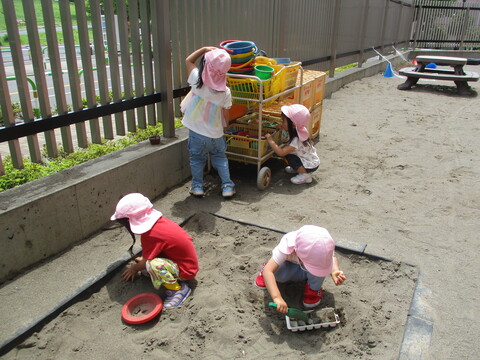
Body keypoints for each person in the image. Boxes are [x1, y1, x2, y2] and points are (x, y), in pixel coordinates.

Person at [111, 193, 199, 309]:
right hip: (183, 261)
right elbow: (156, 250)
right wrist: (144, 262)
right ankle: (165, 272)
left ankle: (178, 290)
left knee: (154, 265)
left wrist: (134, 268)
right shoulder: (159, 223)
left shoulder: (150, 235)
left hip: (186, 271)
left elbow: (148, 260)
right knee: (148, 263)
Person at [181, 46, 236, 198]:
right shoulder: (225, 91)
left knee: (197, 159)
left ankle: (197, 186)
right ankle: (227, 187)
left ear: (205, 64)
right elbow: (226, 113)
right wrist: (225, 126)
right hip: (216, 134)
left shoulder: (196, 78)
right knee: (220, 158)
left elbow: (188, 60)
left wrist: (204, 49)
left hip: (196, 133)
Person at [255, 225, 346, 311]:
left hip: (303, 269)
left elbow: (332, 258)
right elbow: (269, 271)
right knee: (279, 274)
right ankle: (263, 274)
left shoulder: (324, 247)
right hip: (288, 266)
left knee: (320, 268)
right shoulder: (287, 246)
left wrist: (334, 271)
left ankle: (313, 289)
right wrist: (277, 297)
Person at [265, 104, 320, 184]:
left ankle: (305, 175)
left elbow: (281, 152)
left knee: (289, 156)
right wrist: (283, 127)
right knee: (290, 155)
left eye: (283, 121)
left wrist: (270, 141)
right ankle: (298, 169)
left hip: (310, 165)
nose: (282, 123)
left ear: (293, 124)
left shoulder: (296, 140)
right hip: (311, 160)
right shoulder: (300, 130)